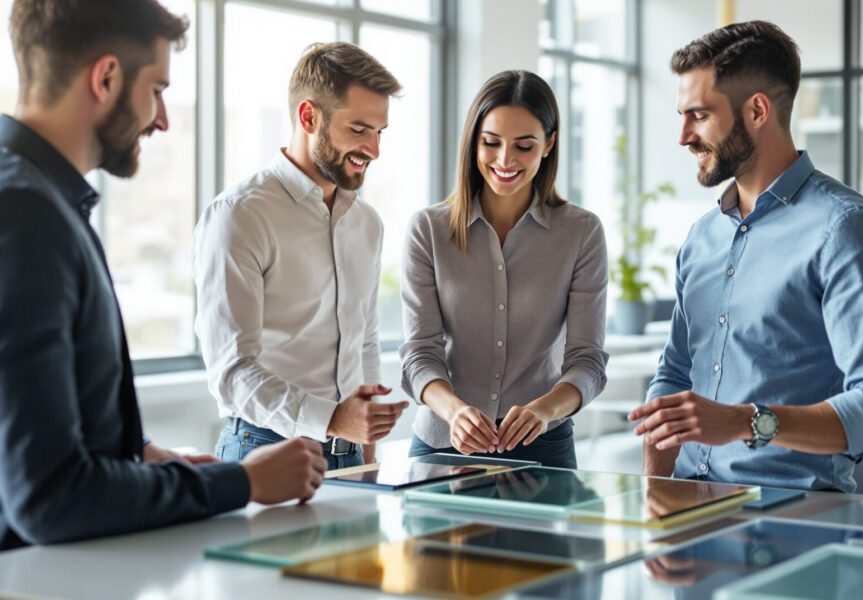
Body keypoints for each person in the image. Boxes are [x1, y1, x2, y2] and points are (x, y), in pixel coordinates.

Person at [0, 0, 326, 551]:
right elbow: (47, 497)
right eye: (156, 89)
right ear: (106, 77)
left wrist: (138, 454)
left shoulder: (41, 200)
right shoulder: (26, 214)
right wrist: (241, 480)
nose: (163, 119)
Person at [629, 21, 863, 493]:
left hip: (794, 523)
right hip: (686, 521)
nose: (683, 136)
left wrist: (748, 422)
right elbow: (675, 374)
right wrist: (653, 491)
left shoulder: (845, 229)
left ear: (757, 109)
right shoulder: (702, 237)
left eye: (698, 114)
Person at [193, 42, 408, 470]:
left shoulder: (367, 222)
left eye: (380, 132)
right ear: (309, 117)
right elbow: (232, 373)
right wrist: (332, 419)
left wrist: (365, 448)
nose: (374, 150)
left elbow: (363, 337)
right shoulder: (240, 215)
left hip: (349, 457)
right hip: (264, 450)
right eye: (360, 129)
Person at [400, 70, 609, 469]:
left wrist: (545, 410)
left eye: (524, 146)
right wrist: (455, 411)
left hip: (544, 448)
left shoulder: (581, 232)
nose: (505, 160)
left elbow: (587, 360)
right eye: (491, 143)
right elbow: (420, 353)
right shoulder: (428, 230)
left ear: (549, 145)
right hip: (444, 445)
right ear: (473, 142)